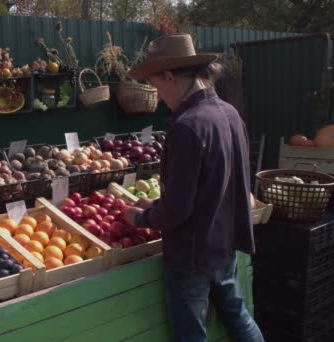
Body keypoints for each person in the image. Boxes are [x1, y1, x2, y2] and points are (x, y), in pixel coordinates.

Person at [124, 33, 264, 342]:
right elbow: (218, 184)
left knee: (191, 335)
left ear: (170, 76)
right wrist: (156, 206)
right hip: (223, 246)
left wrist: (140, 218)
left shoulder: (187, 126)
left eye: (156, 85)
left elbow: (178, 209)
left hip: (190, 255)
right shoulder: (229, 113)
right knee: (238, 317)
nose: (159, 96)